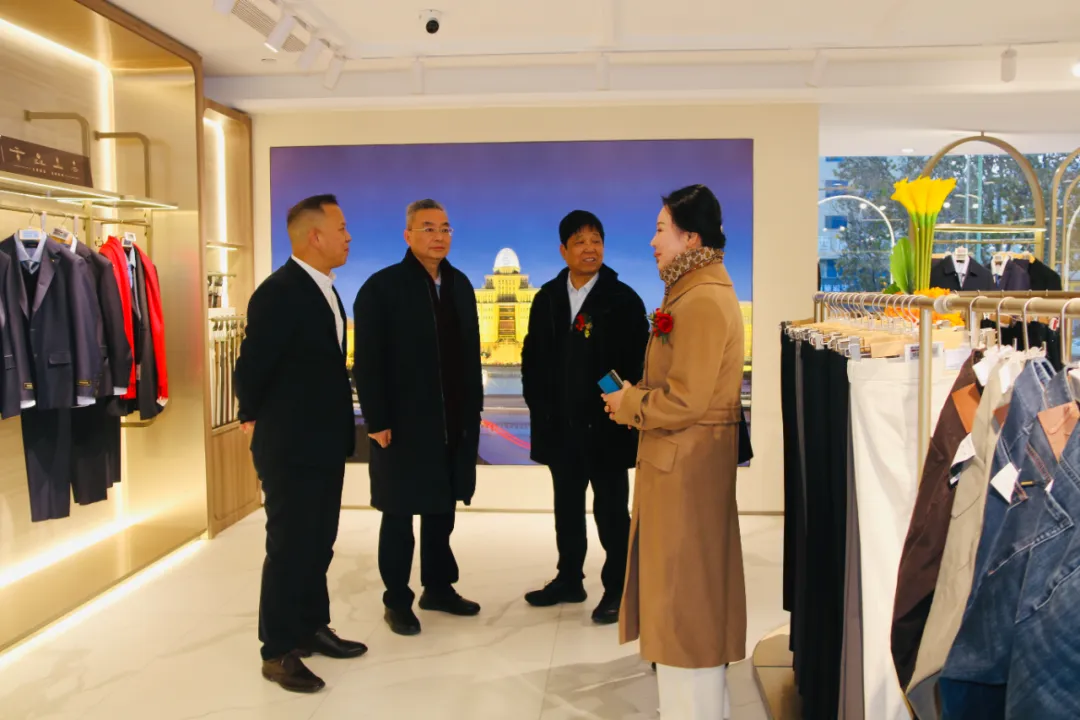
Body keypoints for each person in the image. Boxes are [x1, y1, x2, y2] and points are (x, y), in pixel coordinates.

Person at [601, 184, 746, 719]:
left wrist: (630, 403)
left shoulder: (701, 299)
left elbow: (688, 399)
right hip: (680, 469)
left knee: (686, 604)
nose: (653, 241)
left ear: (692, 238)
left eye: (662, 229)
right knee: (684, 600)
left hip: (687, 473)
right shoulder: (690, 292)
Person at [234, 194, 366, 694]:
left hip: (324, 442)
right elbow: (251, 368)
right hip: (290, 445)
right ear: (315, 236)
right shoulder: (279, 292)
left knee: (318, 541)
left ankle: (311, 626)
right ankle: (278, 650)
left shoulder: (326, 290)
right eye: (341, 227)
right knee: (289, 545)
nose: (348, 237)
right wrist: (252, 414)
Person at [353, 198, 484, 637]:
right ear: (407, 235)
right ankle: (396, 599)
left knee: (441, 509)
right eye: (428, 228)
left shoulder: (460, 285)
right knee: (399, 513)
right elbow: (368, 361)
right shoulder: (382, 288)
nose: (439, 236)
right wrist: (377, 420)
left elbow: (469, 355)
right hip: (402, 425)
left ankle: (439, 587)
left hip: (453, 422)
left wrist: (473, 411)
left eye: (445, 228)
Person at [521, 210, 648, 624]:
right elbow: (532, 358)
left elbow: (635, 363)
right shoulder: (546, 298)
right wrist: (540, 406)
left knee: (611, 511)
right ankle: (568, 579)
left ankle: (619, 587)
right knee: (566, 508)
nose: (590, 248)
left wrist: (618, 404)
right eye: (580, 241)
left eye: (596, 240)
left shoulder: (622, 299)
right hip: (559, 428)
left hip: (606, 427)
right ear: (564, 250)